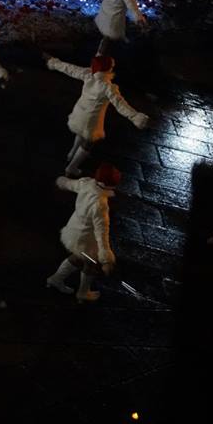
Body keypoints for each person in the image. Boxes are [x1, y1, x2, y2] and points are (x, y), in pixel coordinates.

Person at [45, 52, 148, 175]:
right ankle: (71, 167)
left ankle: (71, 153)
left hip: (79, 111)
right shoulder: (108, 87)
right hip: (91, 119)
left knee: (80, 132)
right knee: (88, 142)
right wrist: (135, 116)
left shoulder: (87, 74)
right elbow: (121, 105)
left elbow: (68, 68)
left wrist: (54, 62)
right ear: (109, 69)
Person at [48, 163, 121, 303]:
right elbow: (102, 231)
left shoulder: (86, 183)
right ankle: (82, 293)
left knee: (78, 258)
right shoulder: (100, 204)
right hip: (86, 239)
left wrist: (60, 181)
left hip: (74, 230)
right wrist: (106, 259)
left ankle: (56, 280)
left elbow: (70, 184)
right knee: (90, 263)